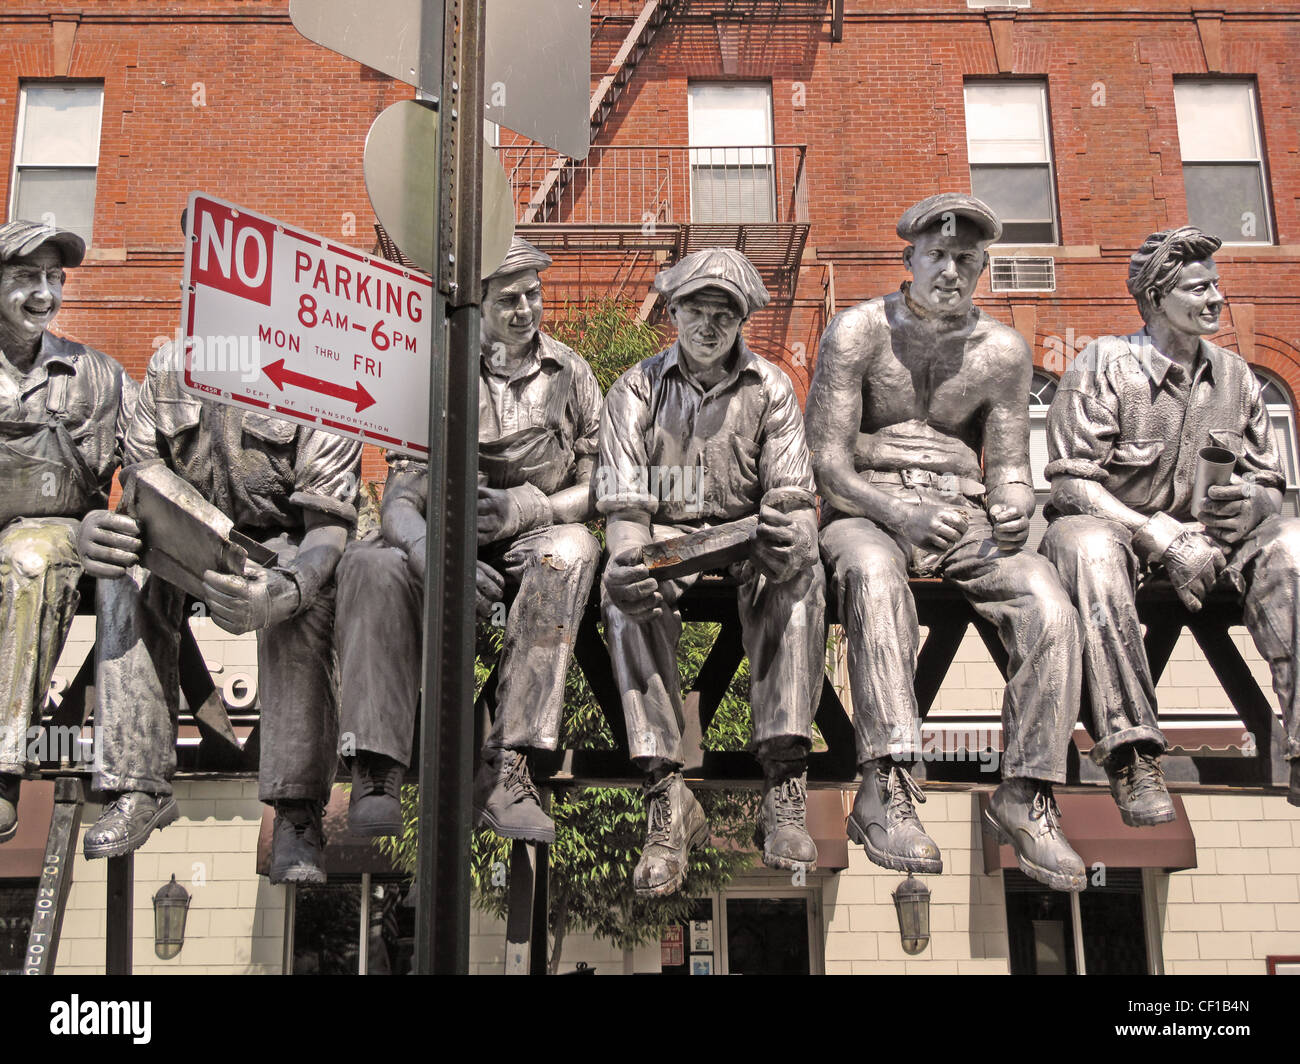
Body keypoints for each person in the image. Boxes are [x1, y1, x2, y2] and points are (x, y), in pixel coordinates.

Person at [805, 194, 1086, 891]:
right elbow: (826, 463)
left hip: (963, 514)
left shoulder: (1004, 353)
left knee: (1048, 602)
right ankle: (886, 783)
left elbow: (1012, 467)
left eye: (967, 259)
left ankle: (1024, 791)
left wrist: (1016, 503)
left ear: (984, 265)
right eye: (938, 256)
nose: (952, 271)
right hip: (868, 508)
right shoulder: (857, 332)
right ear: (910, 260)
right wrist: (897, 514)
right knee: (871, 576)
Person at [334, 237, 602, 843]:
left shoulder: (573, 375)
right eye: (508, 299)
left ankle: (510, 766)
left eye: (534, 294)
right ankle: (375, 763)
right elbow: (400, 499)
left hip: (530, 539)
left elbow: (599, 491)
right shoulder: (434, 370)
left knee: (574, 550)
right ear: (476, 303)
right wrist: (439, 558)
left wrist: (523, 507)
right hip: (440, 537)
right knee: (368, 563)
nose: (526, 310)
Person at [77, 334, 361, 882]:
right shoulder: (166, 364)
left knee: (307, 593)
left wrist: (288, 588)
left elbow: (329, 525)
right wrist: (99, 530)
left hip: (284, 544)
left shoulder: (322, 364)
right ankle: (137, 785)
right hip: (185, 538)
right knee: (124, 570)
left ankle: (297, 813)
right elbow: (136, 487)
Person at [1040, 225, 1300, 815]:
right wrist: (1160, 536)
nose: (1215, 299)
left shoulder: (1237, 376)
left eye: (1217, 286)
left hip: (1215, 544)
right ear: (1157, 297)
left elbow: (1268, 478)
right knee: (1088, 547)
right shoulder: (1105, 362)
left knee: (1294, 545)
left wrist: (1254, 505)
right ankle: (1132, 756)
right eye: (1198, 287)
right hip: (1116, 532)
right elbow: (1070, 480)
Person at [598, 247, 826, 897]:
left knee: (801, 578)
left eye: (724, 311)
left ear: (742, 320)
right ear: (672, 312)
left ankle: (783, 783)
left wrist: (791, 533)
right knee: (625, 595)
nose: (708, 323)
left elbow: (789, 496)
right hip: (664, 532)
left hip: (749, 534)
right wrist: (624, 556)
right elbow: (623, 505)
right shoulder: (635, 389)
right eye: (696, 308)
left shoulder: (772, 386)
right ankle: (666, 795)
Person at [0, 221, 134, 845]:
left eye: (53, 279)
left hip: (51, 539)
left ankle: (2, 767)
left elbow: (149, 463)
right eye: (26, 277)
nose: (44, 293)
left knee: (28, 559)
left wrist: (118, 519)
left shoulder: (95, 377)